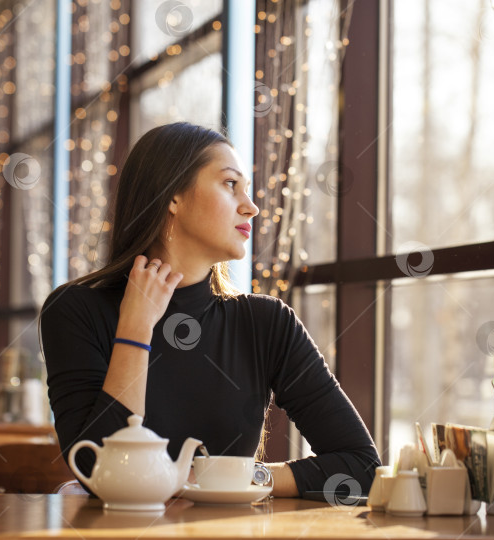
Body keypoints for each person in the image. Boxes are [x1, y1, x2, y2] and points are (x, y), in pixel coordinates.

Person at [40, 122, 380, 497]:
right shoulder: (74, 310)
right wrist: (136, 329)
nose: (251, 207)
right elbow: (94, 468)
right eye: (230, 184)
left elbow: (360, 466)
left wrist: (235, 479)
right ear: (173, 196)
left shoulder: (266, 323)